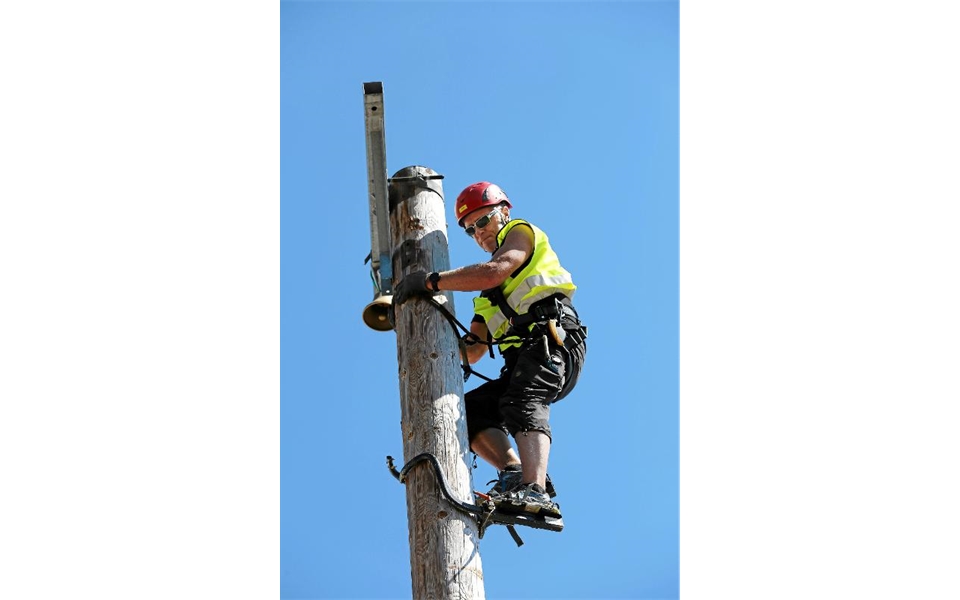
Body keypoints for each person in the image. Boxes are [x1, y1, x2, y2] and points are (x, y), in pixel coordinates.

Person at [393, 181, 587, 518]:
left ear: (505, 212)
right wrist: (417, 331)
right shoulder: (486, 300)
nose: (478, 232)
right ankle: (514, 473)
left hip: (553, 340)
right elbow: (473, 351)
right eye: (470, 230)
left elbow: (495, 271)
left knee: (522, 400)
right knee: (471, 411)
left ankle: (535, 490)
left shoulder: (520, 232)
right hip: (524, 359)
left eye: (482, 221)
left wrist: (429, 282)